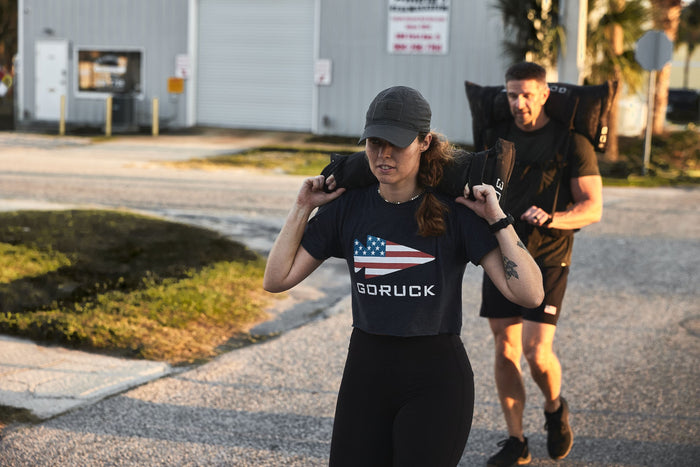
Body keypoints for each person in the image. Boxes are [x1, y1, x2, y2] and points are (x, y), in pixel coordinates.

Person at [263, 85, 544, 466]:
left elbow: (529, 295)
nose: (383, 154)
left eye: (396, 143)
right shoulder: (348, 209)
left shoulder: (456, 212)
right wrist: (301, 207)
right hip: (366, 373)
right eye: (375, 142)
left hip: (436, 381)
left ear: (424, 142)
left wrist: (497, 219)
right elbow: (276, 279)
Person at [478, 62, 603, 467]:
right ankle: (516, 441)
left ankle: (553, 407)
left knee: (535, 351)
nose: (518, 102)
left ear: (545, 94)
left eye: (527, 94)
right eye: (511, 94)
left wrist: (554, 219)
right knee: (505, 346)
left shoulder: (571, 143)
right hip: (501, 251)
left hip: (548, 254)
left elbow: (592, 208)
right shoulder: (497, 137)